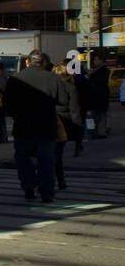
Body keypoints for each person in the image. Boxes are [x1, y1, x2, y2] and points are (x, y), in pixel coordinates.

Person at [2, 49, 61, 203]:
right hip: (46, 127)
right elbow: (63, 99)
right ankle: (46, 192)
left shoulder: (15, 79)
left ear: (27, 62)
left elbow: (7, 105)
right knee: (46, 161)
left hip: (23, 127)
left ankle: (28, 185)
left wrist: (18, 114)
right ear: (44, 63)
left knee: (23, 158)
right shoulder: (52, 77)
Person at [51, 64, 81, 192]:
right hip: (65, 125)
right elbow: (75, 112)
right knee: (58, 155)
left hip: (50, 123)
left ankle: (49, 179)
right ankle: (60, 179)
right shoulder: (71, 89)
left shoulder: (49, 87)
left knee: (49, 154)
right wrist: (78, 132)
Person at [87, 56, 111, 137]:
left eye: (96, 59)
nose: (94, 61)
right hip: (96, 96)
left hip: (99, 95)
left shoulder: (103, 70)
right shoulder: (95, 70)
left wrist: (90, 80)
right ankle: (97, 131)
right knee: (96, 115)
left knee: (99, 115)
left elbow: (100, 82)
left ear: (101, 60)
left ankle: (100, 131)